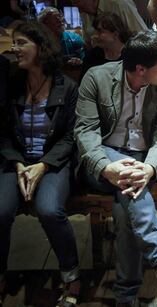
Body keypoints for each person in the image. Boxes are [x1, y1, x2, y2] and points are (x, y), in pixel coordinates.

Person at [74, 30, 157, 306]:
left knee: (126, 208)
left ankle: (125, 295)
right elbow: (86, 133)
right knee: (131, 189)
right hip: (102, 157)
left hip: (142, 157)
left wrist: (150, 168)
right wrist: (106, 167)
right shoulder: (97, 78)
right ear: (141, 69)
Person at [0, 22, 80, 307]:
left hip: (53, 161)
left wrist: (44, 165)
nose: (14, 48)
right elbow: (4, 132)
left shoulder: (66, 87)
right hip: (18, 161)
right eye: (13, 42)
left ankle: (71, 275)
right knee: (0, 209)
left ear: (40, 47)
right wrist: (19, 163)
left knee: (49, 209)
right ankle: (2, 275)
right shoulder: (10, 84)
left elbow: (72, 136)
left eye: (21, 42)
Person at [71, 0, 147, 48]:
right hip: (98, 60)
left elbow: (144, 37)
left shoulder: (119, 4)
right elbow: (87, 42)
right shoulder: (83, 10)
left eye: (77, 1)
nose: (74, 4)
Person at [81, 12, 131, 78]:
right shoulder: (92, 56)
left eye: (100, 31)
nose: (95, 36)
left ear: (115, 34)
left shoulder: (130, 55)